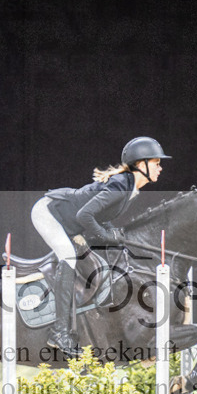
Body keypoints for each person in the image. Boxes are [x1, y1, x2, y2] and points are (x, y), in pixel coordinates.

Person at [31, 136, 170, 358]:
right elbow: (84, 214)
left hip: (67, 220)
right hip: (48, 212)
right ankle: (59, 332)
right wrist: (107, 235)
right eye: (156, 163)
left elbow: (100, 216)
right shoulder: (121, 187)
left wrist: (115, 235)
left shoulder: (128, 187)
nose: (160, 168)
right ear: (141, 165)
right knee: (68, 257)